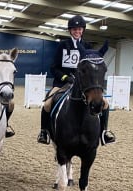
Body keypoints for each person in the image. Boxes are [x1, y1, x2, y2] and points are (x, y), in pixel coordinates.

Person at [36, 15, 116, 145]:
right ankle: (44, 132)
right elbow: (54, 68)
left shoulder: (87, 45)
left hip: (83, 84)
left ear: (83, 30)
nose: (77, 32)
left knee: (105, 103)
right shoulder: (63, 45)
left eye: (79, 29)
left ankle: (104, 132)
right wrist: (65, 77)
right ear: (70, 31)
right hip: (63, 83)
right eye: (74, 29)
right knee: (47, 103)